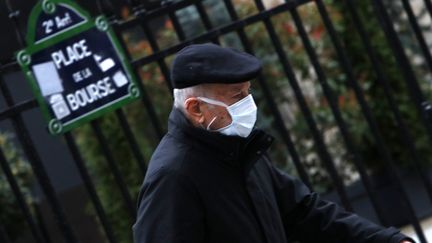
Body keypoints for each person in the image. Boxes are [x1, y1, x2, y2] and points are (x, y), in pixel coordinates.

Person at [133, 43, 414, 243]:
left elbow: (304, 212)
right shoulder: (173, 176)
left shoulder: (236, 150)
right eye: (236, 96)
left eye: (247, 93)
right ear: (196, 109)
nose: (248, 104)